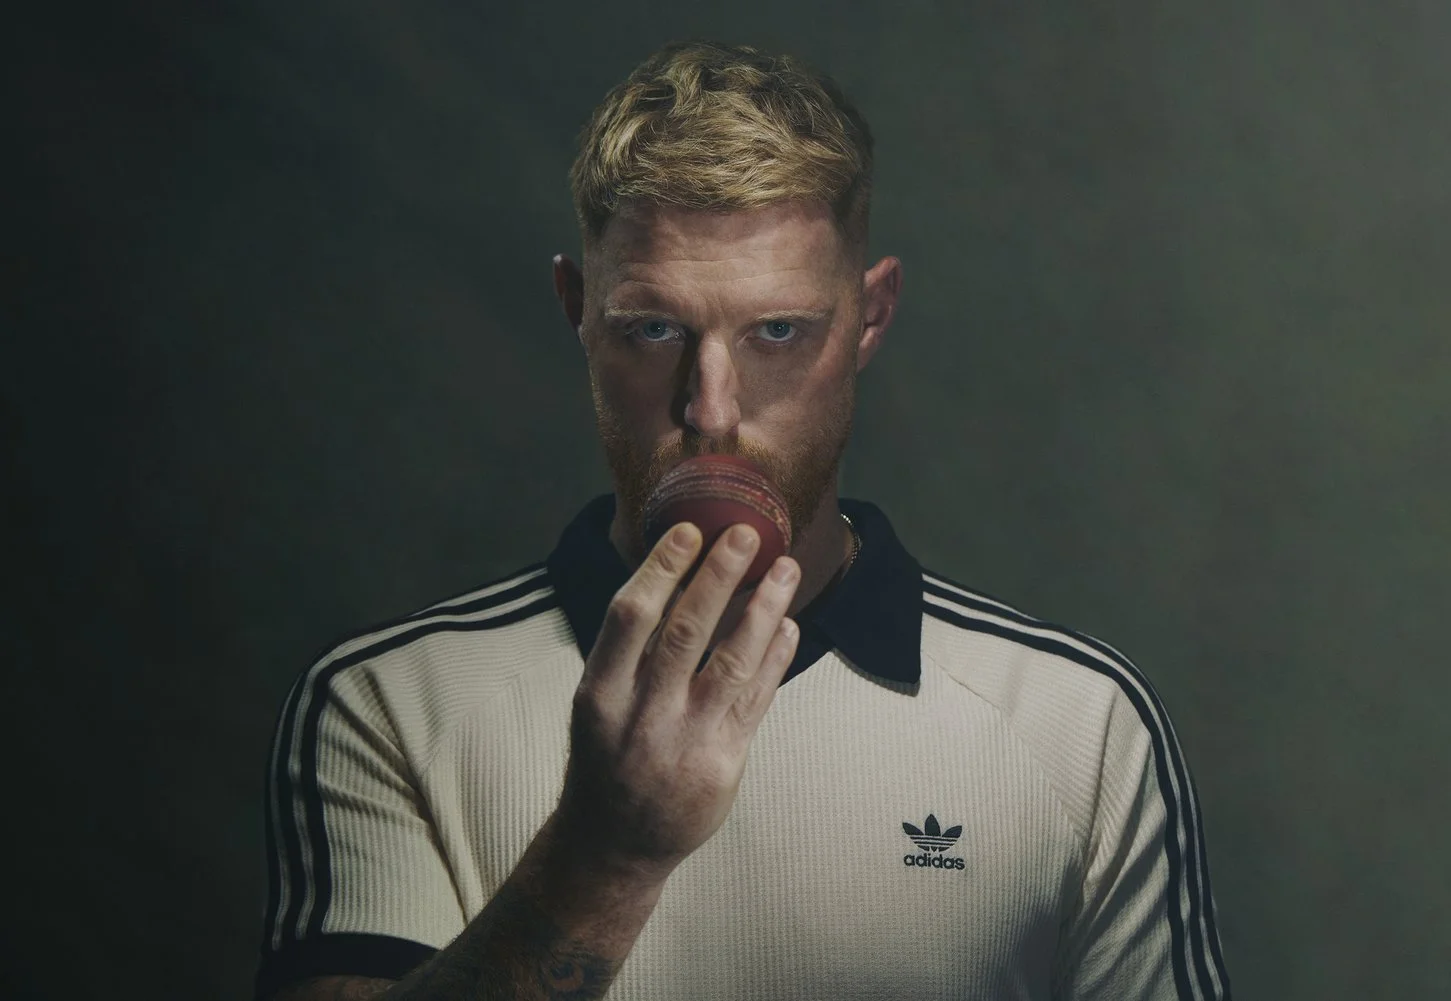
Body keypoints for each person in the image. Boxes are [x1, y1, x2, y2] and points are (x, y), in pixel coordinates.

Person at [256, 39, 1231, 1001]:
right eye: (655, 328)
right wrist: (609, 854)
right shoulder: (388, 704)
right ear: (578, 309)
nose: (711, 406)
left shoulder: (1079, 724)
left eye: (777, 332)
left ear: (871, 316)